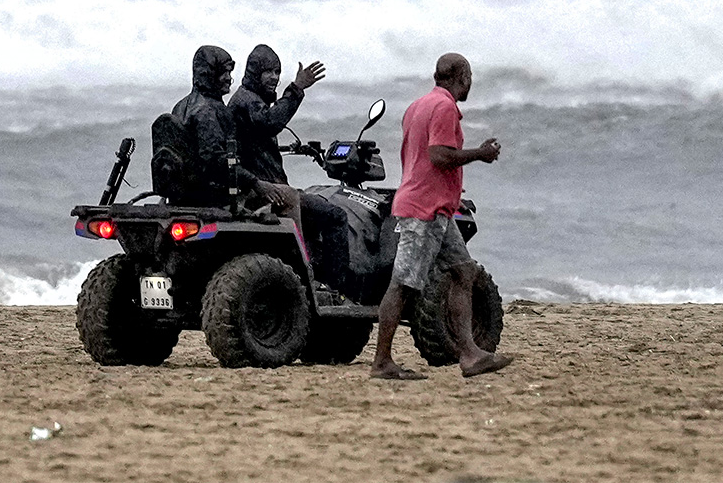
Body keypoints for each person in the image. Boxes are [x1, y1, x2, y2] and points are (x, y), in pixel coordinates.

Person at [370, 52, 513, 380]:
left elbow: (417, 155)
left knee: (464, 272)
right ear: (461, 75)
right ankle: (382, 362)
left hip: (436, 208)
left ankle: (470, 355)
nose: (471, 82)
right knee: (403, 283)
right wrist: (481, 154)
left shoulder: (417, 105)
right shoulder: (445, 107)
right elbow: (438, 156)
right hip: (425, 211)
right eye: (470, 75)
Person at [228, 44, 350, 291]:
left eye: (277, 72)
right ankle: (337, 291)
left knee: (316, 211)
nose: (274, 77)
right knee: (335, 217)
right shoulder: (248, 101)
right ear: (254, 73)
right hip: (262, 188)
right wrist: (296, 89)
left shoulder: (249, 100)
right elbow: (270, 122)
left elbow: (256, 134)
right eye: (268, 72)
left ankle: (318, 275)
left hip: (259, 182)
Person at [170, 45, 292, 211]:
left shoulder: (181, 106)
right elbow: (216, 161)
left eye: (230, 73)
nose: (229, 78)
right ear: (209, 74)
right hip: (216, 198)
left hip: (186, 197)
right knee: (292, 199)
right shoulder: (210, 111)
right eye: (223, 72)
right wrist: (256, 183)